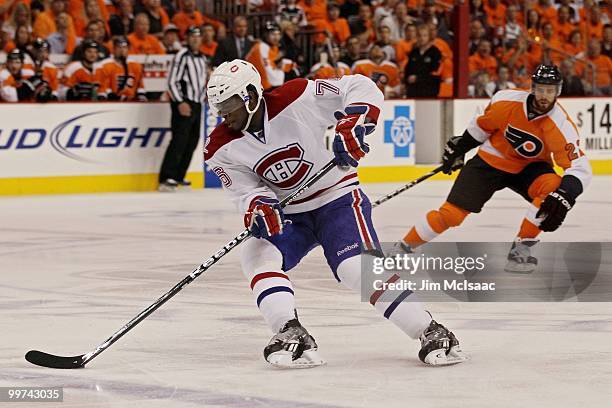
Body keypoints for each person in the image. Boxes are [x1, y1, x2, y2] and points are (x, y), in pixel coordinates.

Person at [204, 59, 468, 368]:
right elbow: (243, 189)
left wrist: (354, 121)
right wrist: (257, 206)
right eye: (218, 107)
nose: (224, 114)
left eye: (229, 104)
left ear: (250, 95)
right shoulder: (218, 147)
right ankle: (289, 331)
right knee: (256, 254)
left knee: (356, 268)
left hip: (337, 199)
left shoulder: (297, 96)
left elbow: (360, 86)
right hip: (290, 213)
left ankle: (430, 330)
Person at [393, 65, 592, 273]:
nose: (544, 95)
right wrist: (459, 148)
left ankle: (520, 250)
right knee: (451, 215)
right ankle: (403, 248)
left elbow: (580, 167)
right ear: (532, 88)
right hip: (491, 160)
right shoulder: (506, 101)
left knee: (553, 189)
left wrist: (565, 195)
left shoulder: (561, 125)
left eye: (550, 90)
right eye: (541, 89)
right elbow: (482, 127)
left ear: (558, 92)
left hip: (529, 168)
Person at [159, 26, 207, 191]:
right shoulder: (181, 56)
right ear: (186, 39)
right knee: (179, 140)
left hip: (197, 103)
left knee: (192, 141)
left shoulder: (203, 58)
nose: (195, 39)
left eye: (198, 36)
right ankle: (166, 177)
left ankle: (179, 176)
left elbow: (201, 81)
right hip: (184, 102)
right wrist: (180, 102)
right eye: (192, 36)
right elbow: (172, 81)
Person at [98, 37, 147, 101]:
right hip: (113, 100)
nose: (122, 50)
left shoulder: (136, 65)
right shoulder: (105, 65)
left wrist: (141, 96)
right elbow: (103, 87)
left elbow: (140, 86)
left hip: (131, 100)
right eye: (119, 47)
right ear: (114, 49)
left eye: (124, 47)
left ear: (128, 49)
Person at [404, 24, 441, 97]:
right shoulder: (414, 52)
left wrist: (418, 78)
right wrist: (406, 80)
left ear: (429, 37)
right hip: (413, 90)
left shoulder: (435, 52)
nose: (422, 38)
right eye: (419, 35)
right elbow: (408, 69)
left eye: (424, 35)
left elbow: (435, 74)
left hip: (429, 91)